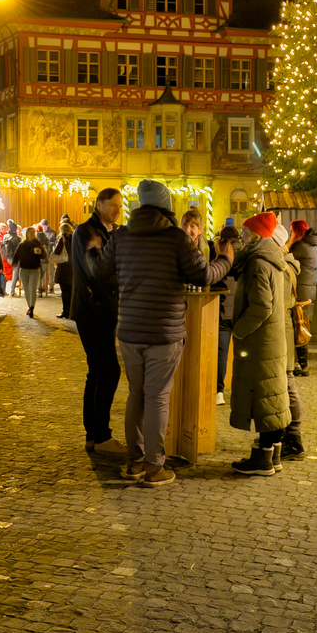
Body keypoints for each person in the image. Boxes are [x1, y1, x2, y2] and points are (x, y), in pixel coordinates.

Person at [87, 179, 233, 487]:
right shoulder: (175, 238)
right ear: (167, 207)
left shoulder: (122, 235)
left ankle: (134, 462)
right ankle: (155, 468)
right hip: (164, 331)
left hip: (128, 330)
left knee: (135, 395)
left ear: (139, 205)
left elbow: (99, 271)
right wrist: (226, 260)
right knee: (157, 398)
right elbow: (203, 274)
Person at [226, 212, 293, 476]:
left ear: (255, 236)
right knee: (273, 397)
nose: (241, 238)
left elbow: (261, 306)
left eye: (244, 233)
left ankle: (263, 460)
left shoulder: (257, 263)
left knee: (265, 399)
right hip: (272, 340)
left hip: (261, 341)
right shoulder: (273, 259)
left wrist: (238, 331)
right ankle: (273, 454)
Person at [72, 189, 125, 459]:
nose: (117, 209)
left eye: (119, 205)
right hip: (92, 310)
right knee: (108, 370)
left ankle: (93, 435)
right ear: (99, 205)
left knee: (97, 371)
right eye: (112, 205)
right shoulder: (86, 232)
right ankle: (100, 435)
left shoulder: (111, 232)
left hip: (104, 309)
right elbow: (96, 272)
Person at [270, 221, 308, 461]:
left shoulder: (282, 266)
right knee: (285, 382)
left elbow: (277, 303)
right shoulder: (287, 263)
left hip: (280, 332)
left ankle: (293, 439)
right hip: (283, 331)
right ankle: (286, 435)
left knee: (287, 382)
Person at [211, 225, 240, 406]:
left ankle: (219, 391)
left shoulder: (217, 256)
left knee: (222, 353)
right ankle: (239, 389)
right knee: (241, 353)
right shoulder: (244, 255)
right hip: (239, 310)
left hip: (222, 311)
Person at [287, 220, 317, 376]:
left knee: (297, 327)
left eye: (292, 230)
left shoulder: (299, 247)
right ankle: (302, 364)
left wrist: (289, 241)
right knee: (302, 326)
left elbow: (282, 253)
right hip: (308, 292)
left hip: (299, 292)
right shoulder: (310, 245)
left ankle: (300, 364)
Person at [12, 227, 48, 317]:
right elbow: (17, 255)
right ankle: (29, 306)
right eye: (30, 233)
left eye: (33, 233)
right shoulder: (22, 244)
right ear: (27, 234)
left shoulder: (37, 243)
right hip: (24, 270)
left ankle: (32, 307)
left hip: (34, 269)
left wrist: (40, 253)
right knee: (26, 289)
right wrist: (14, 263)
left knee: (33, 289)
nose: (32, 234)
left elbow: (44, 255)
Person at [53, 222, 75, 319]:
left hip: (63, 267)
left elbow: (57, 251)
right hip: (73, 267)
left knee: (64, 291)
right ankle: (71, 311)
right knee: (71, 291)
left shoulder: (62, 239)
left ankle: (65, 311)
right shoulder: (74, 238)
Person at [1, 221, 21, 296]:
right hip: (15, 258)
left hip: (7, 257)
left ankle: (4, 290)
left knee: (7, 273)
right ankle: (12, 291)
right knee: (15, 273)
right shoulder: (18, 239)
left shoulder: (5, 236)